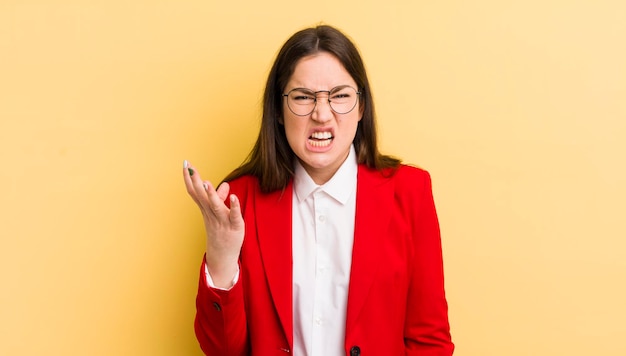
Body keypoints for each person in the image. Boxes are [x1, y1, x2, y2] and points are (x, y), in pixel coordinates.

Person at [183, 24, 454, 356]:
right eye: (302, 97)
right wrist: (222, 256)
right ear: (279, 111)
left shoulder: (409, 191)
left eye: (340, 96)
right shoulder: (239, 201)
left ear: (361, 107)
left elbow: (430, 342)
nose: (322, 114)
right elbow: (222, 350)